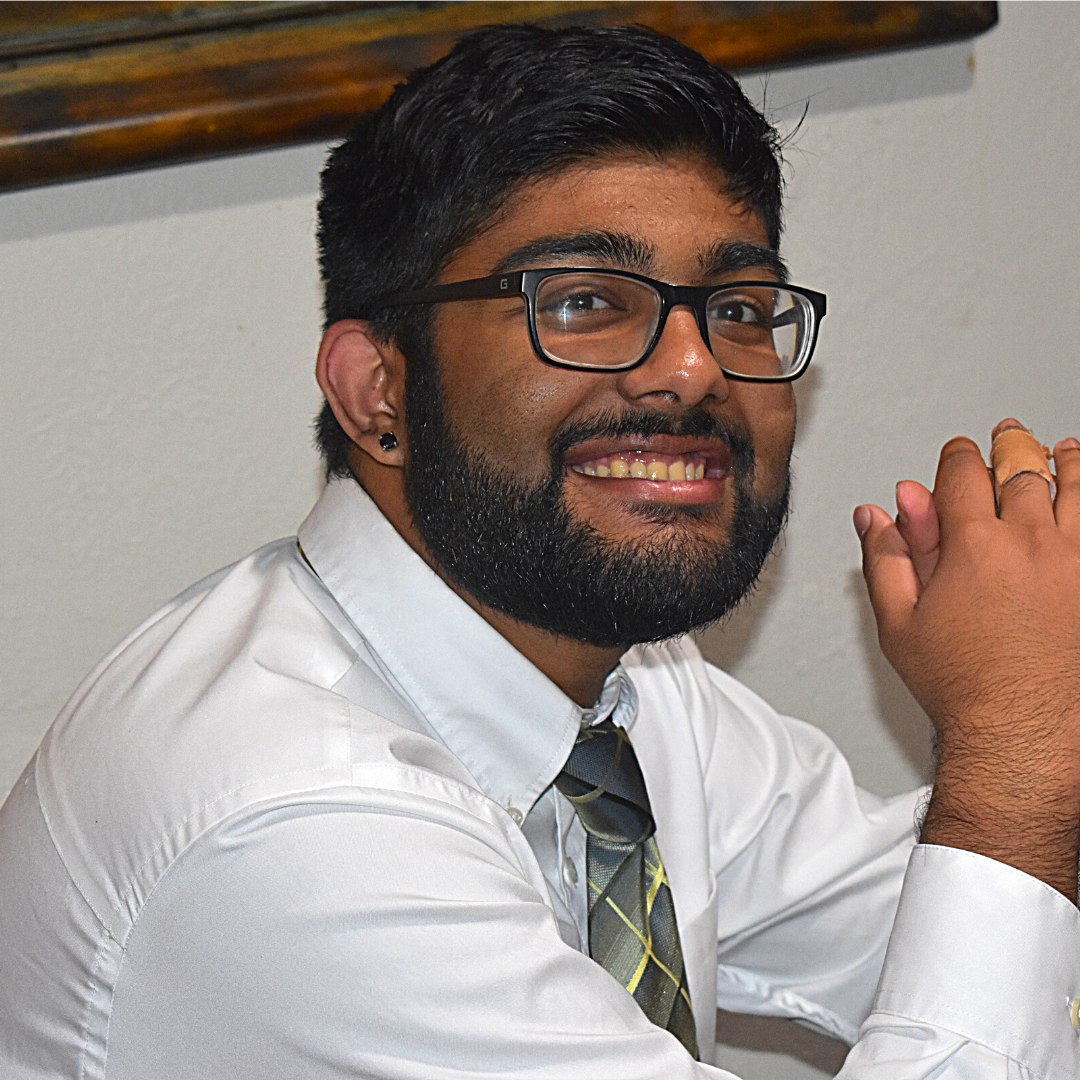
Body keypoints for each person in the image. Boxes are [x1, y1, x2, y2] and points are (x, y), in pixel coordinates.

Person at [1, 23, 1078, 1080]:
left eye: (740, 308)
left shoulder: (620, 675)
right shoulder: (298, 827)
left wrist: (1045, 711)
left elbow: (984, 950)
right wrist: (1015, 749)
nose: (694, 369)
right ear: (379, 391)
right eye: (585, 302)